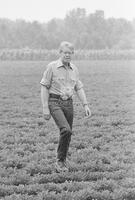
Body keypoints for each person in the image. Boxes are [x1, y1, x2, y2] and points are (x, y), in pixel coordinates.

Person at [40, 41, 91, 172]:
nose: (67, 55)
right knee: (66, 130)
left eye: (70, 53)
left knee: (68, 133)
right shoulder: (52, 67)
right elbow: (44, 86)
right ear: (60, 53)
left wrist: (85, 105)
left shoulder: (75, 69)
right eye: (65, 52)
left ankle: (62, 161)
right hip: (54, 102)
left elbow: (79, 88)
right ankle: (60, 161)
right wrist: (45, 108)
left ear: (72, 54)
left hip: (69, 103)